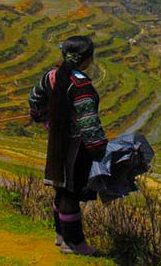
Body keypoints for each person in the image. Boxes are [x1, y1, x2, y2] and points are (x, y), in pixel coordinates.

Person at [28, 36, 107, 256]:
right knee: (72, 192)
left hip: (56, 141)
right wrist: (100, 149)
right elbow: (88, 124)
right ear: (88, 59)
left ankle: (61, 234)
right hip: (77, 147)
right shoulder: (82, 86)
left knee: (60, 187)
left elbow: (34, 98)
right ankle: (74, 243)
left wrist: (45, 120)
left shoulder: (52, 76)